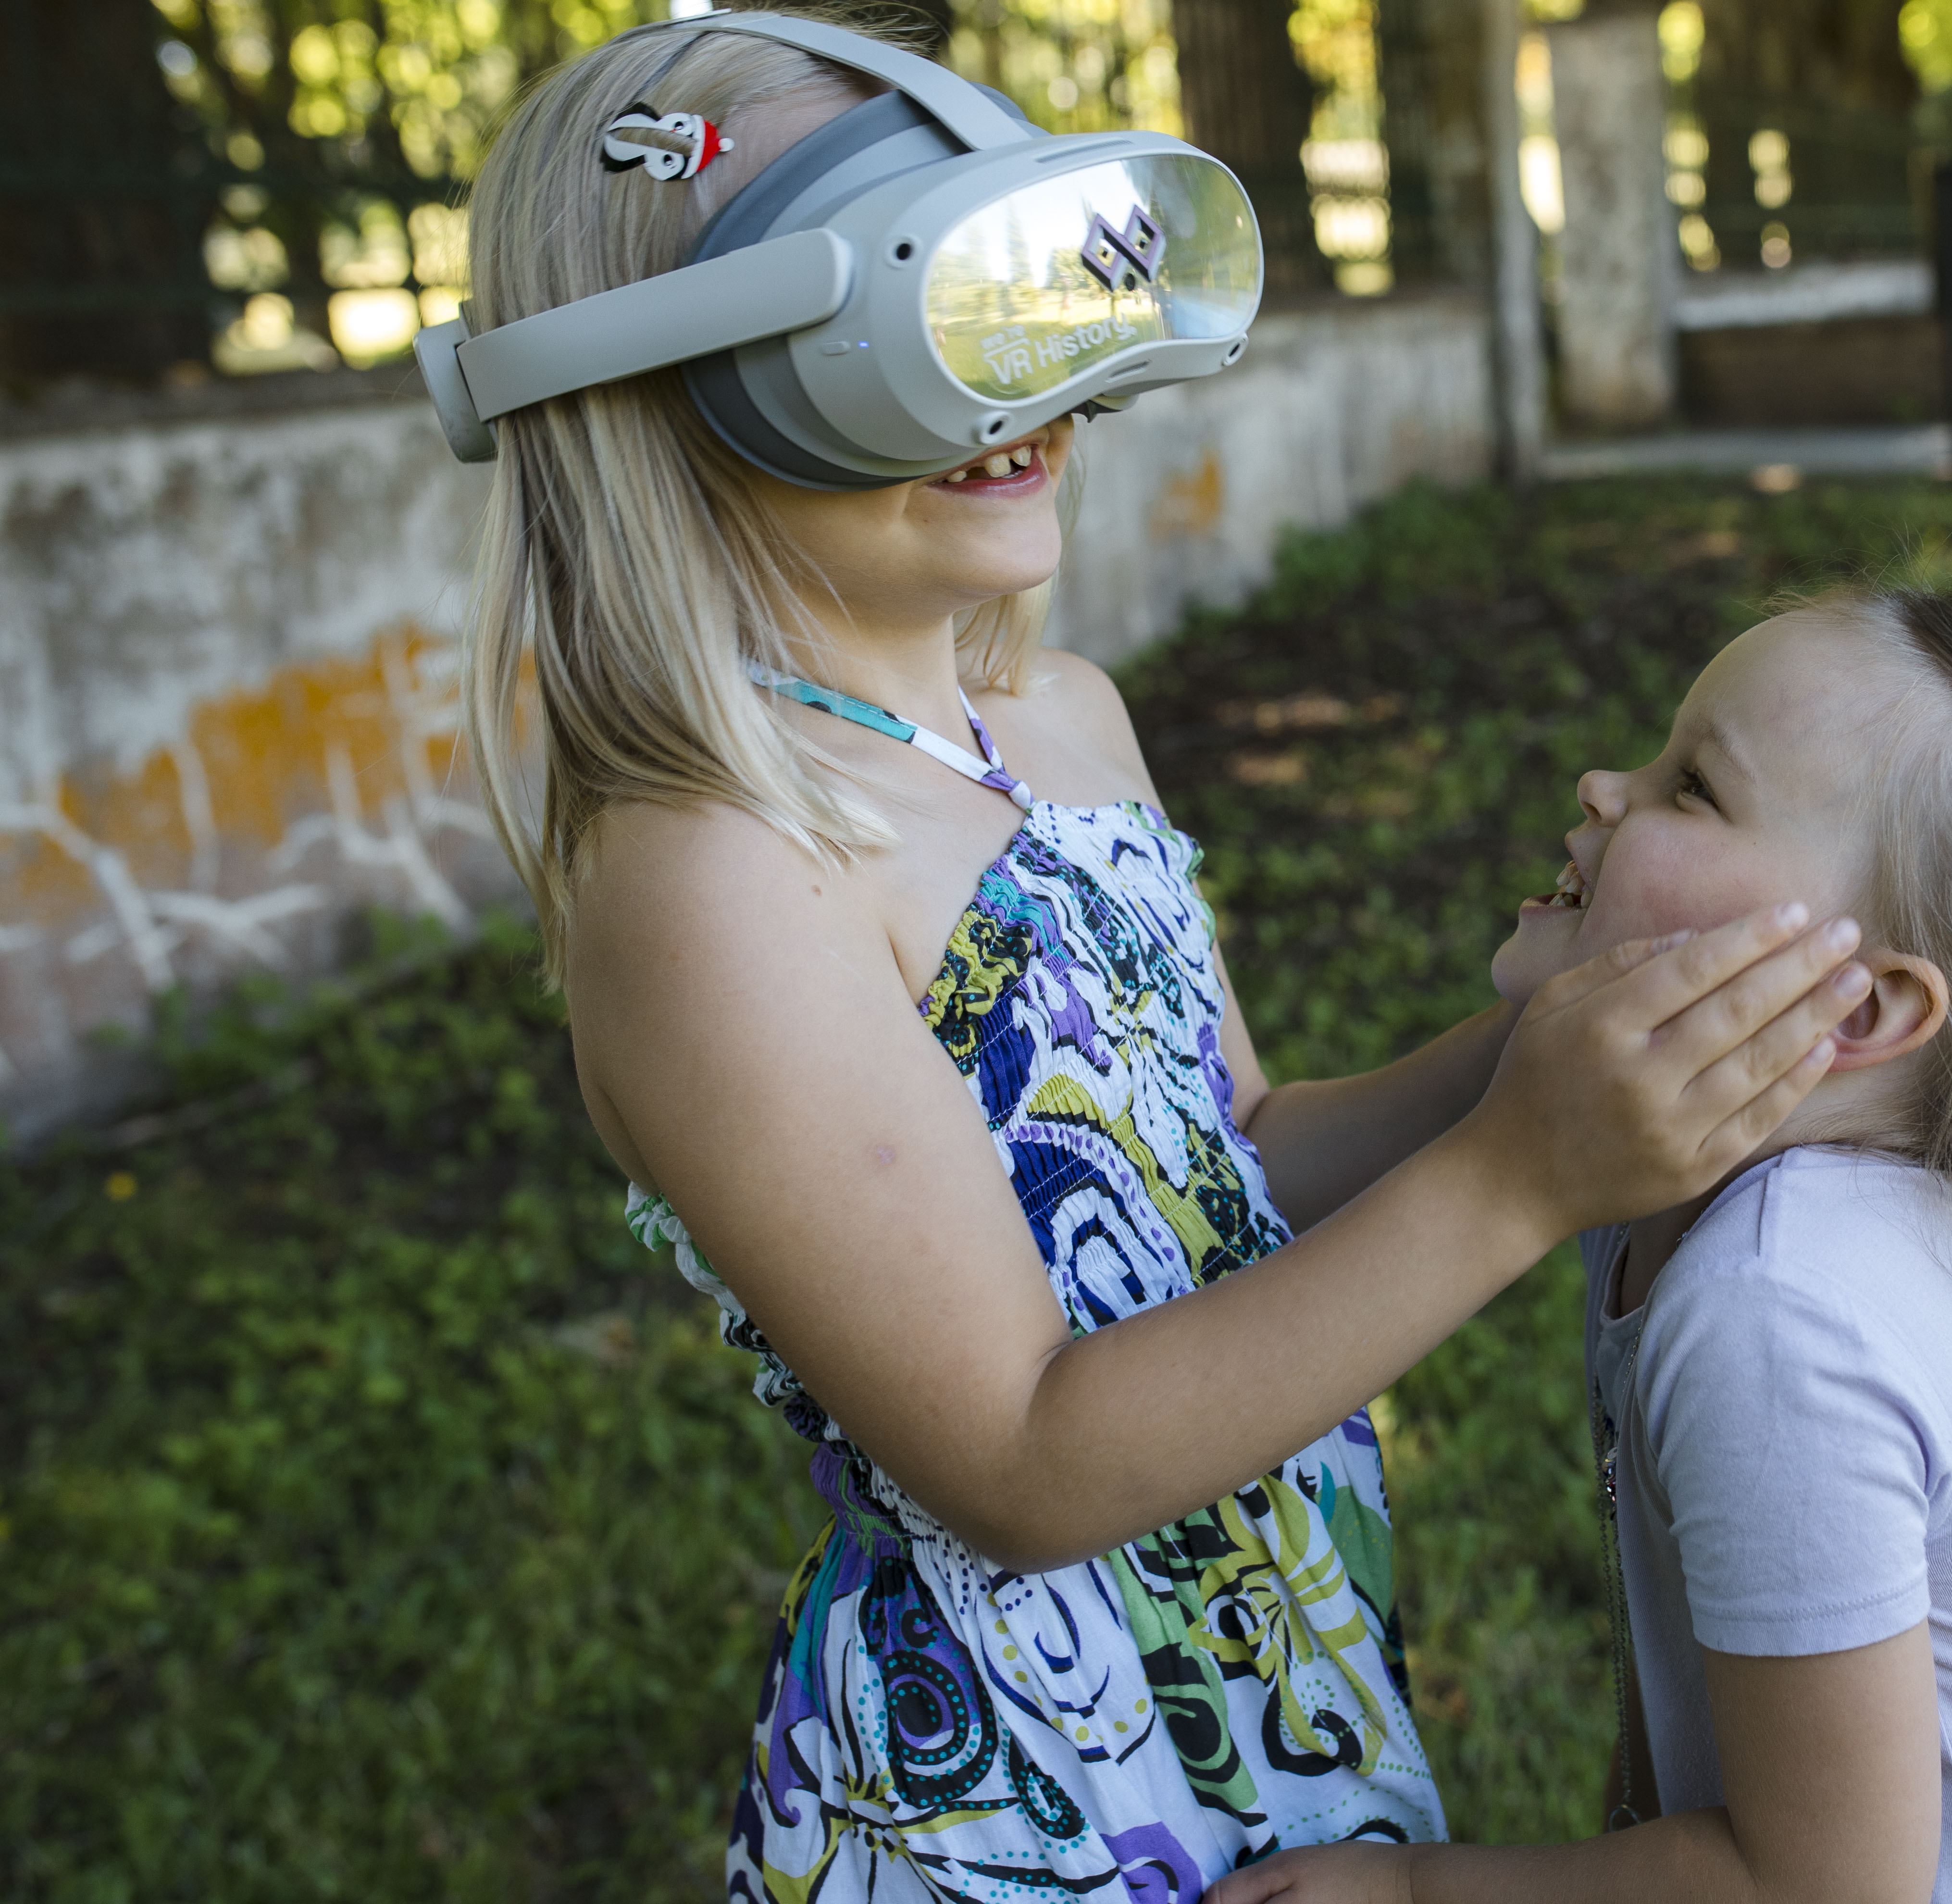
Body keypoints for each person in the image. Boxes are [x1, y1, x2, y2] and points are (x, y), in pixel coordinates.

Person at [450, 13, 1869, 1901]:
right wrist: (1523, 1174)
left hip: (1268, 1669)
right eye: (919, 324)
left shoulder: (1062, 720)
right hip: (1024, 1795)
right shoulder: (712, 868)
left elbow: (1234, 1160)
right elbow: (1024, 1457)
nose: (1014, 393)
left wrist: (1539, 1049)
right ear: (667, 372)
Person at [1214, 590, 1952, 1904]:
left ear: (1865, 1005)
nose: (1604, 783)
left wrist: (1416, 1890)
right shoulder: (1695, 1196)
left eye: (1695, 788)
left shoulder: (1781, 1306)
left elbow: (1819, 1888)